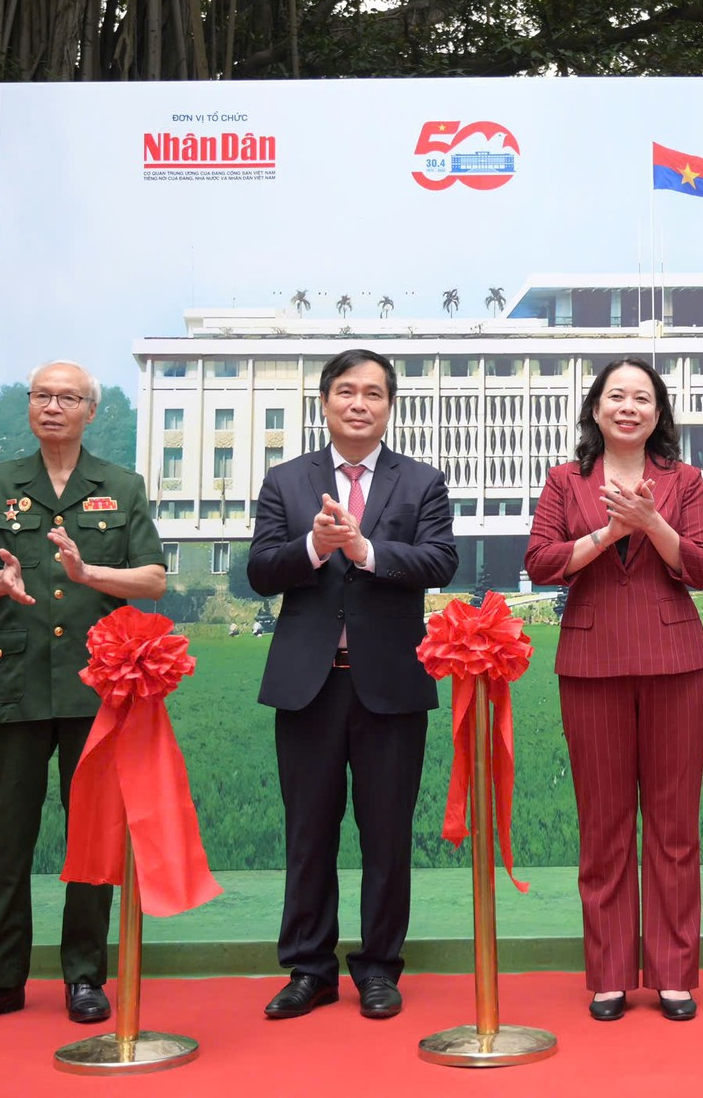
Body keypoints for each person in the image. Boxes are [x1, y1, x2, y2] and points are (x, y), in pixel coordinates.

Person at [0, 361, 166, 1028]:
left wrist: (86, 569)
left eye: (67, 396)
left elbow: (152, 579)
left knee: (92, 834)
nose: (53, 406)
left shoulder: (119, 486)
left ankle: (85, 975)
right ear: (29, 407)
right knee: (10, 834)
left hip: (97, 686)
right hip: (18, 681)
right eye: (42, 395)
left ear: (91, 409)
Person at [247, 349, 457, 1021]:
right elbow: (258, 569)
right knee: (309, 831)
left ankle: (378, 968)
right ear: (325, 401)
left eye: (373, 392)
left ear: (390, 406)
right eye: (346, 390)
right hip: (309, 686)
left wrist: (364, 550)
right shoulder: (287, 480)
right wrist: (314, 546)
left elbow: (440, 559)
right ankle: (309, 969)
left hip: (390, 684)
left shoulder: (421, 481)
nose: (359, 402)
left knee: (386, 834)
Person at [525, 358, 703, 1022]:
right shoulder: (565, 480)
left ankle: (672, 973)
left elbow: (702, 567)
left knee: (673, 827)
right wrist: (611, 530)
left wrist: (654, 523)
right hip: (591, 658)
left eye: (643, 397)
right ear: (597, 409)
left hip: (677, 661)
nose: (630, 406)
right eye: (617, 396)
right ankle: (609, 973)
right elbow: (541, 560)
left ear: (659, 413)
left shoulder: (684, 480)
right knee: (604, 825)